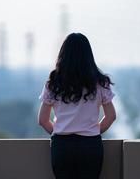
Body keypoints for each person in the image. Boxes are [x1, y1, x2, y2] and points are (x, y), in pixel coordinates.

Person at [38, 33, 117, 179]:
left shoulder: (53, 82)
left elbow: (42, 120)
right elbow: (111, 116)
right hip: (90, 146)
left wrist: (58, 132)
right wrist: (93, 131)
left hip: (62, 147)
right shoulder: (100, 82)